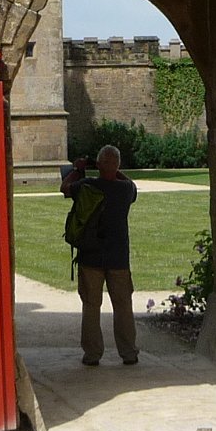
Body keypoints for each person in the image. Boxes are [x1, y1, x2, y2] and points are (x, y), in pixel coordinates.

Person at [60, 144, 138, 366]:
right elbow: (132, 186)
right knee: (123, 306)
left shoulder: (87, 186)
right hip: (118, 256)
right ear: (118, 165)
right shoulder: (124, 190)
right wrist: (114, 169)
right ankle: (128, 352)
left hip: (90, 254)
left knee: (91, 306)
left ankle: (92, 354)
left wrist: (79, 168)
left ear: (100, 163)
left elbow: (65, 188)